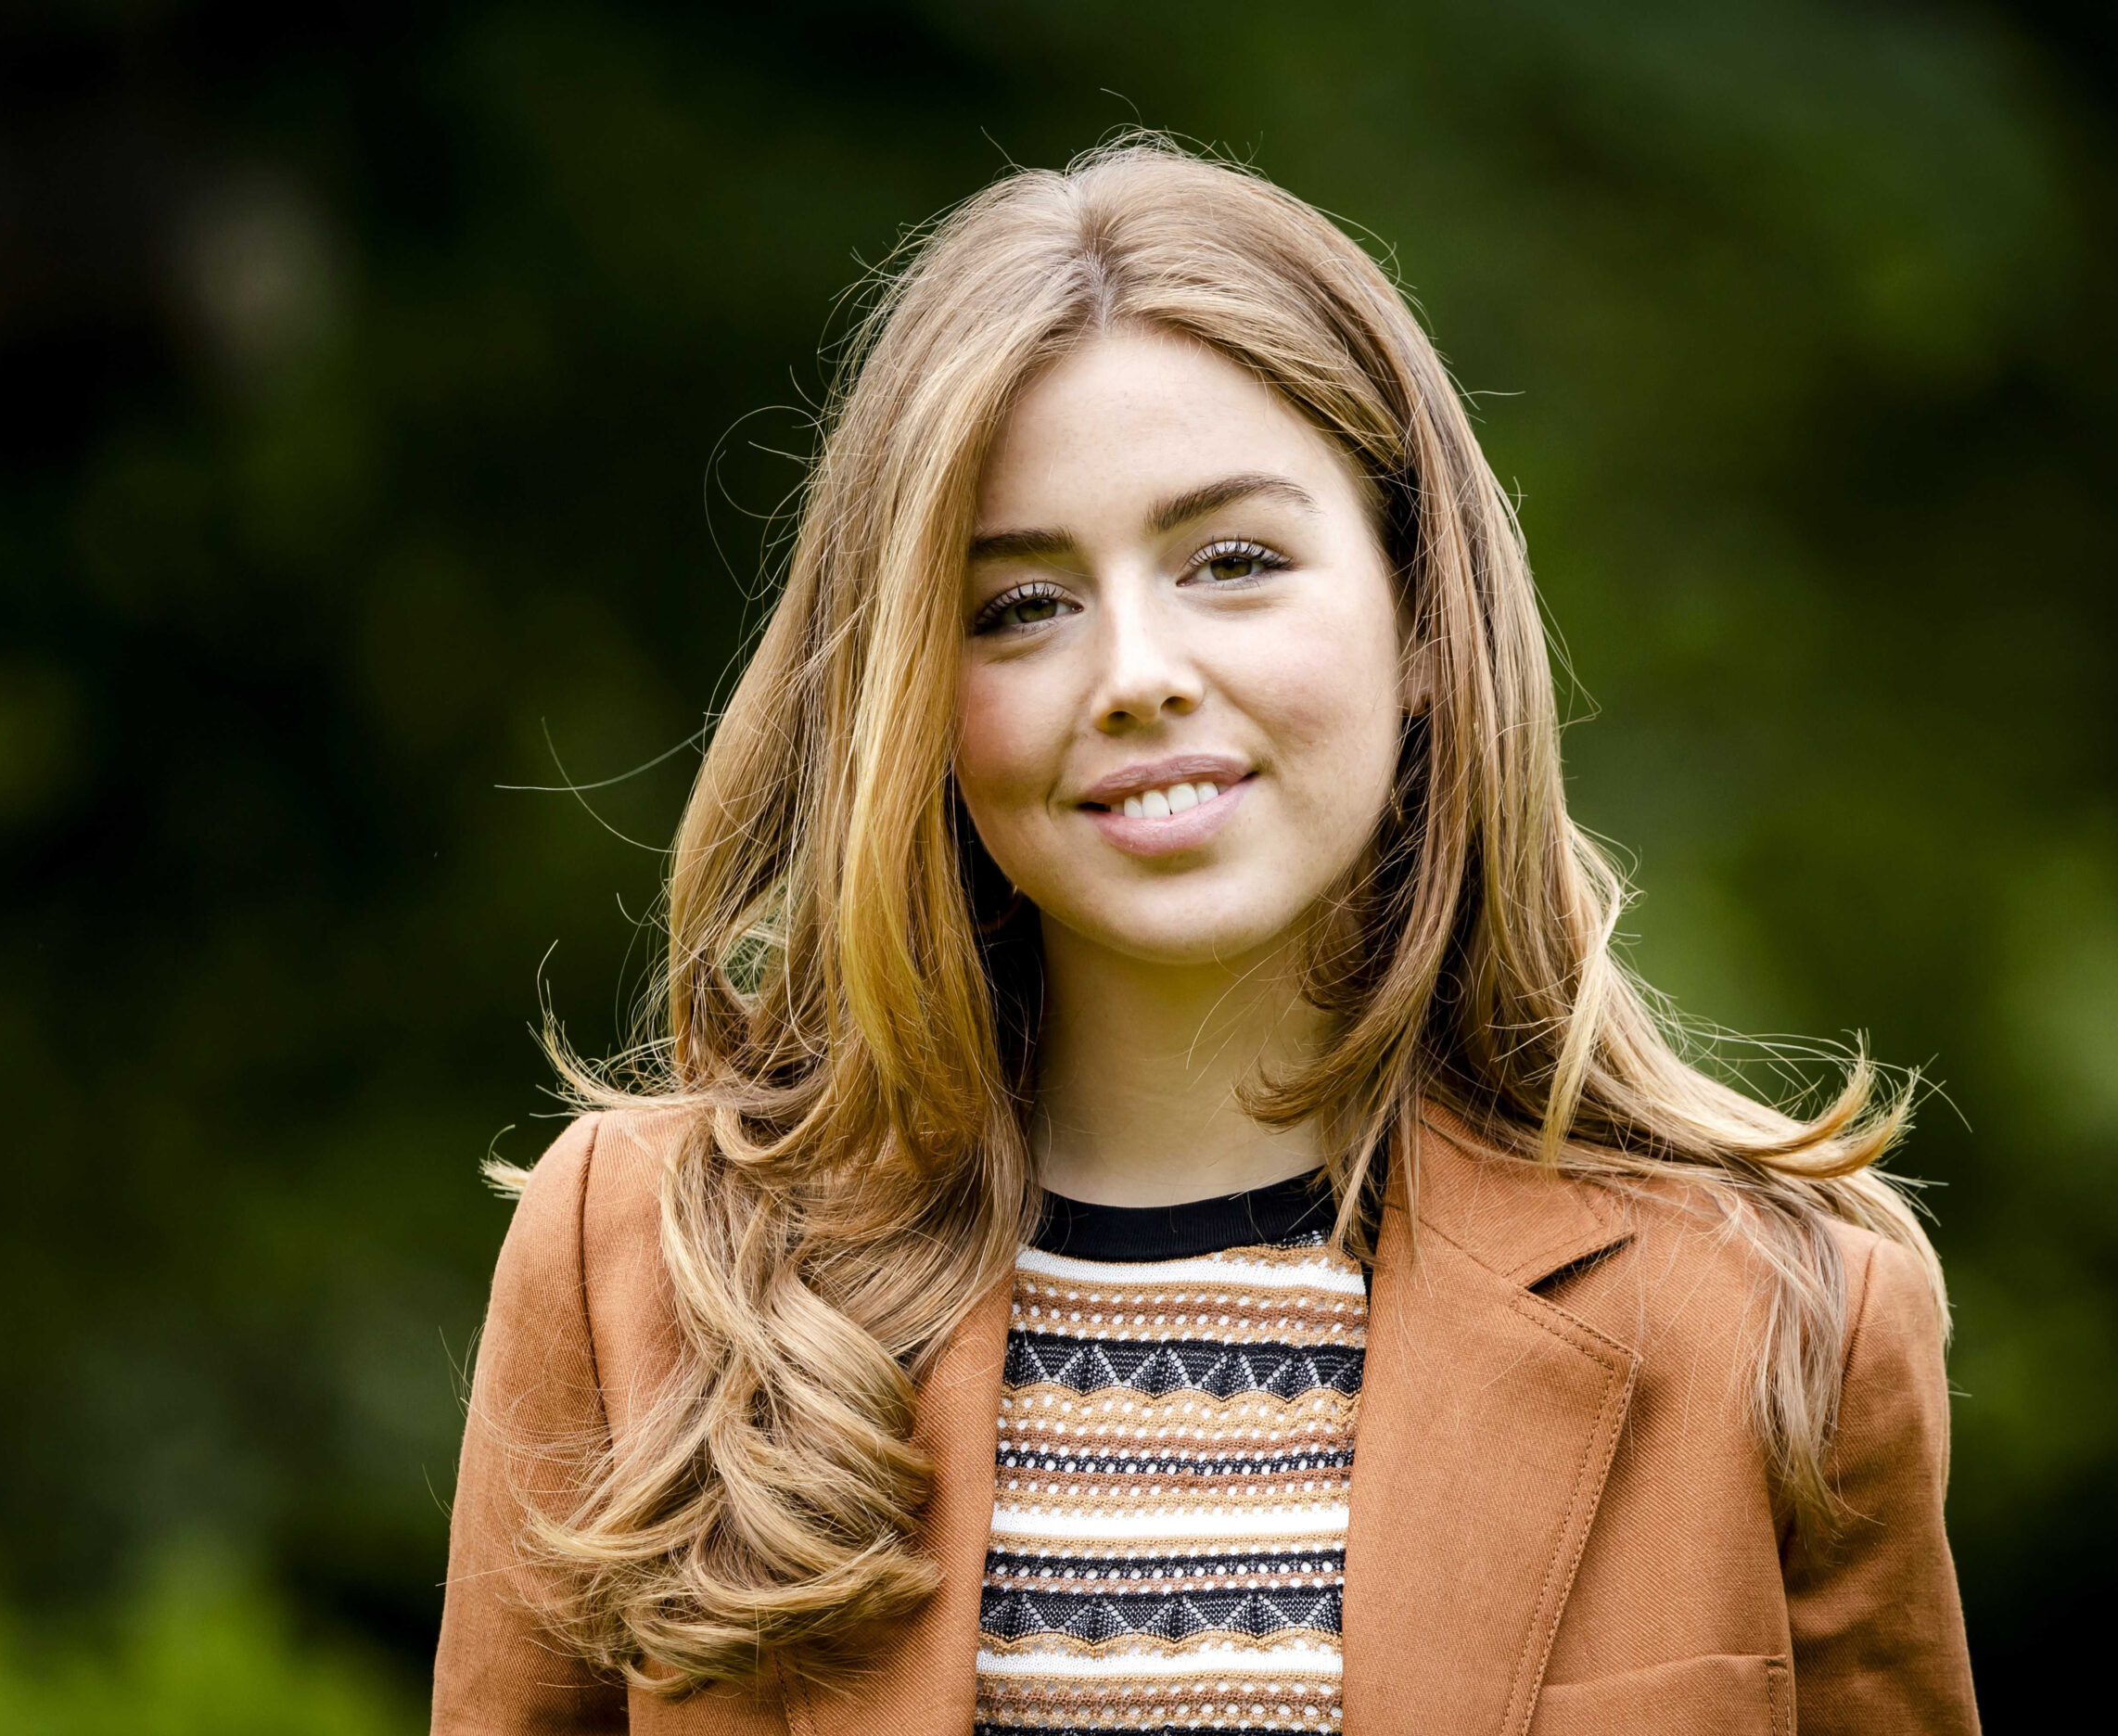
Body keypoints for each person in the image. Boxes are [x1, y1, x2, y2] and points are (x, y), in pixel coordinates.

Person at [430, 138, 1978, 1735]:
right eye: (1019, 605)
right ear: (913, 695)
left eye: (1232, 562)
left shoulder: (1780, 1317)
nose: (1137, 673)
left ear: (1423, 619)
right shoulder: (642, 1267)